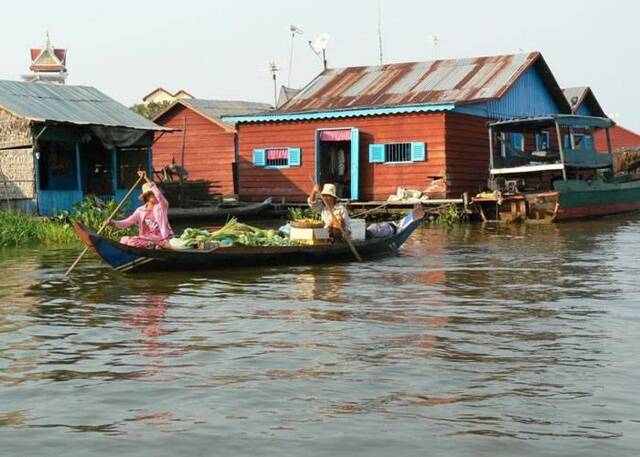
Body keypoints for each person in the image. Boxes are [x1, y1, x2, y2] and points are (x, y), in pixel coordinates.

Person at [110, 171, 175, 249]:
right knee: (123, 240)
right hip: (146, 238)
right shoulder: (140, 211)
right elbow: (127, 222)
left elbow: (159, 196)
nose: (155, 195)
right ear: (147, 197)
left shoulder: (161, 207)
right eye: (152, 194)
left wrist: (146, 178)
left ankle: (158, 245)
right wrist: (113, 223)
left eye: (154, 193)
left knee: (131, 242)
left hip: (161, 237)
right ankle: (154, 246)